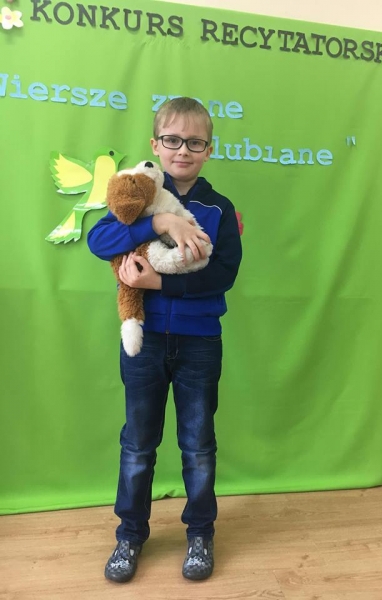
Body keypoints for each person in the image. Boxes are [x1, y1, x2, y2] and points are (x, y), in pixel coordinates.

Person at [87, 97, 242, 583]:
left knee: (198, 444)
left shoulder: (219, 208)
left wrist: (159, 283)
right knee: (138, 443)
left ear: (209, 149)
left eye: (195, 142)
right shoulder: (140, 193)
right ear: (156, 145)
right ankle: (130, 534)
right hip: (145, 340)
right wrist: (159, 222)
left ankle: (200, 533)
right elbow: (98, 241)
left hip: (200, 342)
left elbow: (223, 274)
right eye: (172, 140)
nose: (183, 150)